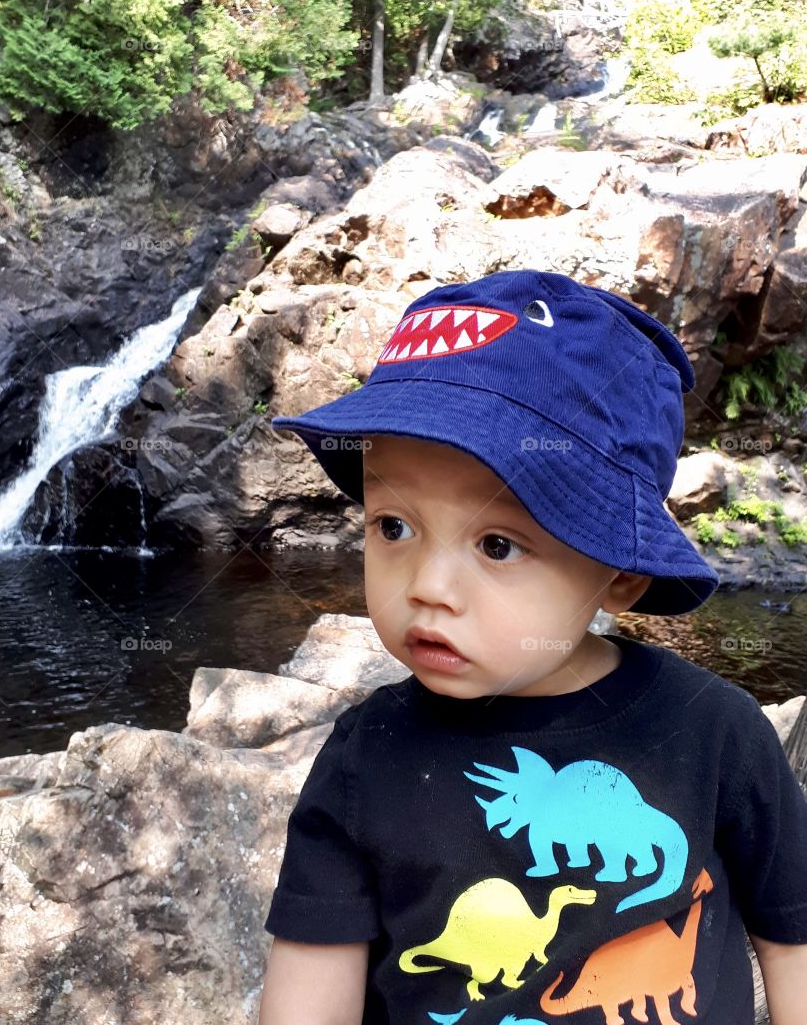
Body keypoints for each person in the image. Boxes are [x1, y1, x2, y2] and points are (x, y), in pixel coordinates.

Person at [257, 268, 807, 1025]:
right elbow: (310, 996)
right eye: (394, 526)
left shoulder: (716, 733)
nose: (429, 586)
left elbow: (791, 936)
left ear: (620, 573)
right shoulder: (364, 758)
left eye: (497, 544)